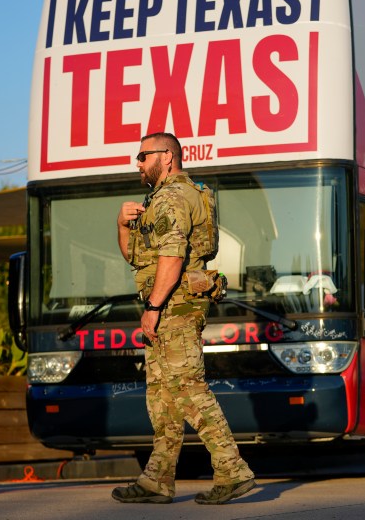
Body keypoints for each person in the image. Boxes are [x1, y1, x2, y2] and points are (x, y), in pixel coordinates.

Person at [111, 132, 255, 505]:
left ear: (167, 157)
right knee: (161, 397)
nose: (138, 163)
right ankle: (157, 480)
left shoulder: (173, 197)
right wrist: (122, 225)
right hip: (168, 304)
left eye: (143, 156)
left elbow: (172, 260)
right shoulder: (159, 199)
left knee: (188, 389)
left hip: (174, 306)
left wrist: (153, 308)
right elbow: (135, 257)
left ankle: (232, 469)